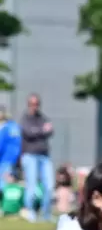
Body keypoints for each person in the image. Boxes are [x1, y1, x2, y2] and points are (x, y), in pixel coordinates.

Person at [20, 93, 55, 222]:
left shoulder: (42, 118)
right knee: (32, 186)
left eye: (37, 104)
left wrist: (40, 130)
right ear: (28, 104)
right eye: (32, 104)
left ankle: (46, 214)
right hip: (30, 156)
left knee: (49, 185)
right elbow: (29, 133)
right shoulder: (25, 118)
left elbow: (51, 130)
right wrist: (42, 130)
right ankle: (31, 212)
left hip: (44, 156)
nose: (35, 106)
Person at [0, 105, 21, 191]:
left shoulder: (6, 127)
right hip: (12, 160)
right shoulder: (13, 126)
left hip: (6, 160)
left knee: (3, 184)